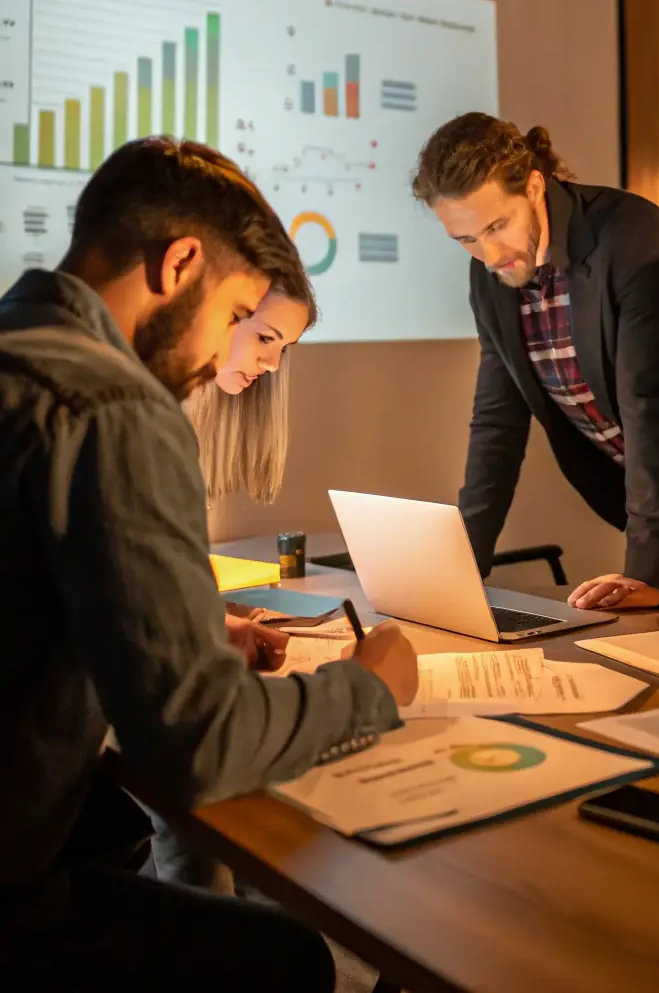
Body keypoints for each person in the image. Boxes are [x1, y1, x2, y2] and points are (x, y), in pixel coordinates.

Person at [0, 137, 418, 991]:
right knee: (288, 958)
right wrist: (368, 687)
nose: (224, 354)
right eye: (235, 316)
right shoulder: (115, 404)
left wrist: (180, 629)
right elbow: (198, 746)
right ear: (180, 262)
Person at [411, 112, 659, 610]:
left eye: (498, 225)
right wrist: (461, 566)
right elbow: (497, 423)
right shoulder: (491, 277)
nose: (491, 253)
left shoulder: (632, 238)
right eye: (466, 239)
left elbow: (651, 409)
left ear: (534, 186)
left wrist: (644, 576)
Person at [150, 273, 319, 892]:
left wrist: (206, 619)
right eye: (266, 338)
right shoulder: (137, 420)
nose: (271, 366)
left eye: (284, 349)